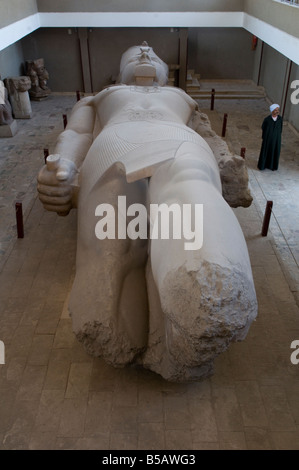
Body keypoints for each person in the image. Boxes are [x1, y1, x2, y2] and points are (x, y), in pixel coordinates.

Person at [37, 43, 257, 382]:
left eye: (151, 53)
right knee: (118, 242)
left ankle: (209, 290)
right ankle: (144, 329)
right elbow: (77, 133)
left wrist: (227, 164)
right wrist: (63, 166)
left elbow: (208, 136)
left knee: (188, 185)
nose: (144, 52)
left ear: (164, 73)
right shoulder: (99, 98)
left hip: (179, 141)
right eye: (135, 52)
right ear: (119, 70)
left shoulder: (184, 99)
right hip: (116, 143)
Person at [257, 103, 283, 171]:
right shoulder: (267, 119)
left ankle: (272, 166)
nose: (277, 111)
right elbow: (263, 128)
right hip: (268, 139)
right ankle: (263, 165)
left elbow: (280, 129)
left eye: (277, 110)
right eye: (275, 110)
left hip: (277, 139)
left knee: (275, 151)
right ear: (272, 111)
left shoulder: (280, 119)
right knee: (266, 151)